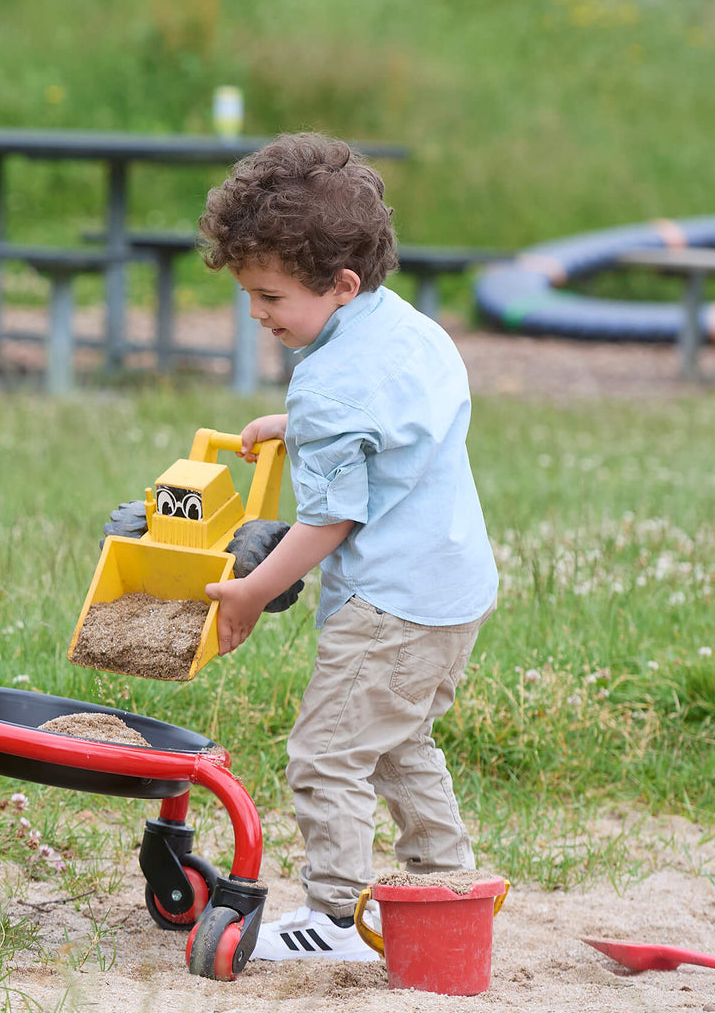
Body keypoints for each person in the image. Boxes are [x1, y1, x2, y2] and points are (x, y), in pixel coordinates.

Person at [197, 131, 498, 962]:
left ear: (341, 283)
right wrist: (304, 430)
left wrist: (254, 592)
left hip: (392, 604)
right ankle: (442, 883)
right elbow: (395, 429)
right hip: (454, 590)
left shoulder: (328, 380)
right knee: (398, 742)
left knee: (326, 753)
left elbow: (331, 520)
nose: (257, 313)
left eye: (269, 296)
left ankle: (334, 918)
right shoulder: (410, 331)